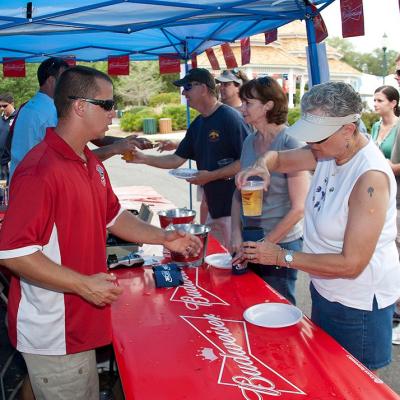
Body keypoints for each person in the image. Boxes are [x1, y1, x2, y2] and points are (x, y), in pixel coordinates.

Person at [0, 66, 202, 400]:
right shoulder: (40, 170)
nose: (114, 114)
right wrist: (83, 284)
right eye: (107, 105)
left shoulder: (87, 160)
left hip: (77, 319)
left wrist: (164, 237)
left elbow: (114, 217)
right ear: (80, 106)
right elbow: (13, 252)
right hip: (56, 327)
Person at [235, 81, 400, 372]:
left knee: (350, 382)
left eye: (317, 138)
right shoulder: (327, 151)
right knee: (324, 371)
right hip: (326, 288)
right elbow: (278, 158)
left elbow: (351, 265)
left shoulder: (369, 177)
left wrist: (279, 256)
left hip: (358, 302)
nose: (311, 144)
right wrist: (262, 164)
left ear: (348, 130)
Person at [125, 68, 250, 248]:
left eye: (188, 87)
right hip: (215, 211)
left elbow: (247, 162)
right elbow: (177, 159)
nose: (184, 92)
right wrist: (144, 158)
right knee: (214, 260)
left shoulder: (230, 118)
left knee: (235, 264)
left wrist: (211, 176)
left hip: (236, 211)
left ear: (204, 89)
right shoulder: (198, 124)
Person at [231, 77, 309, 304]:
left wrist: (266, 246)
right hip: (250, 237)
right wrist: (236, 233)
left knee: (278, 306)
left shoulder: (290, 142)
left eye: (248, 103)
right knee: (251, 301)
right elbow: (238, 193)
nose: (242, 108)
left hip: (281, 241)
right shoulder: (249, 141)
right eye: (242, 102)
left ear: (268, 105)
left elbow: (298, 208)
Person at [9, 57, 151, 180]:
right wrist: (115, 148)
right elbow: (74, 158)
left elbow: (92, 139)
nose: (112, 113)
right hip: (37, 184)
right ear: (52, 81)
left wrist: (123, 142)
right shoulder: (49, 111)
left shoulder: (31, 106)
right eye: (106, 105)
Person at [0, 93, 16, 180]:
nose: (2, 108)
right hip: (1, 163)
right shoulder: (0, 120)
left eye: (5, 106)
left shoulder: (18, 118)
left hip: (12, 162)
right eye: (0, 106)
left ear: (12, 104)